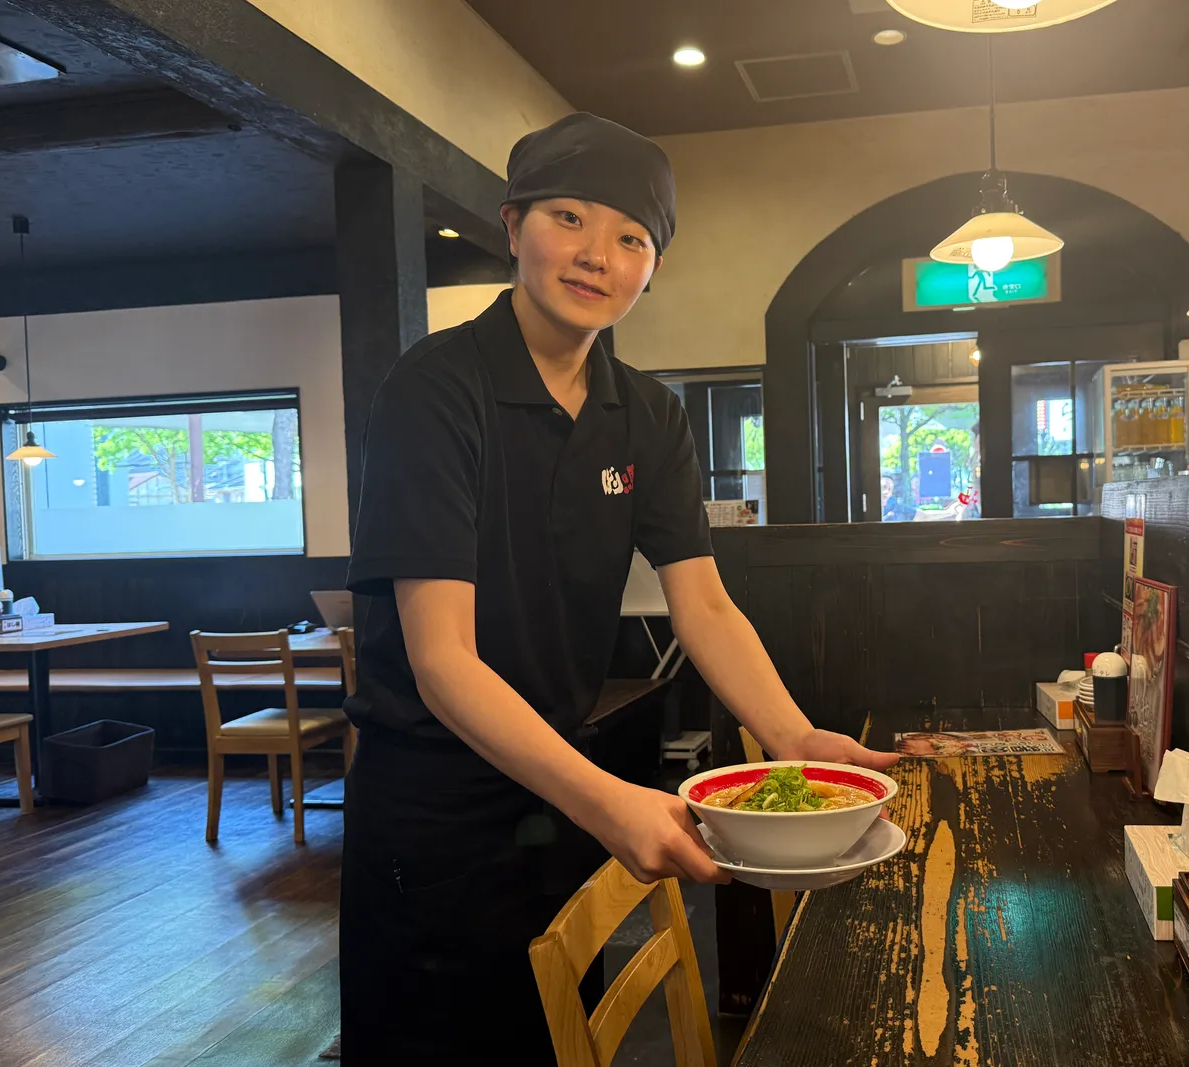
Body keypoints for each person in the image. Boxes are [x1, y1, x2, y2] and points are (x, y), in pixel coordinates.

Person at [336, 112, 897, 1063]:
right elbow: (441, 662)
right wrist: (608, 800)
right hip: (434, 816)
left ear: (653, 267)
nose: (599, 255)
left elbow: (705, 603)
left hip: (556, 795)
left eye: (631, 237)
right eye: (569, 218)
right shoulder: (435, 391)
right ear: (511, 227)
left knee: (555, 1045)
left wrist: (793, 737)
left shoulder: (645, 413)